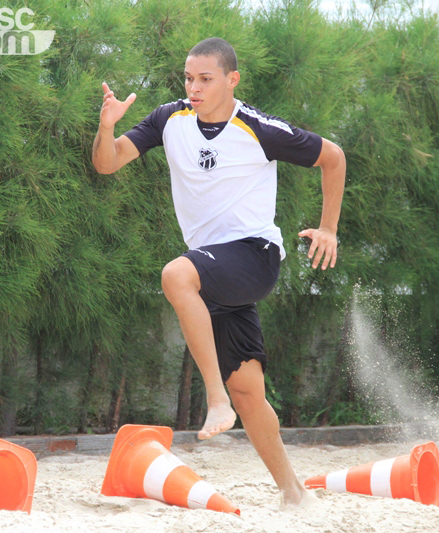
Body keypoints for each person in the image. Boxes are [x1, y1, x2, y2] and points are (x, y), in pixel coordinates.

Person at [92, 37, 344, 505]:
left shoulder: (257, 127)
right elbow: (107, 164)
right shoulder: (170, 119)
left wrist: (328, 228)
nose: (194, 87)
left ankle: (213, 399)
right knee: (249, 388)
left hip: (254, 255)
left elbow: (333, 156)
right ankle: (294, 492)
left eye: (205, 79)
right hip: (213, 268)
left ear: (232, 80)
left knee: (175, 275)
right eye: (189, 78)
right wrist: (106, 127)